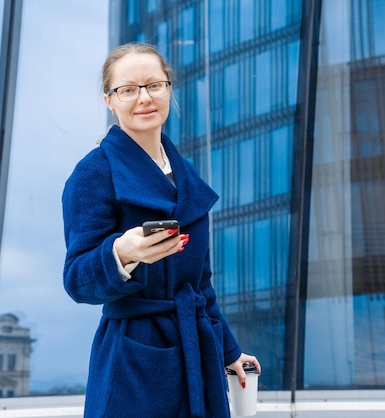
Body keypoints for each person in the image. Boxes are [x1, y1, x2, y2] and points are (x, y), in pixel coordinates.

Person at [62, 42, 261, 418]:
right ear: (109, 100)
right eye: (128, 89)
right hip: (133, 361)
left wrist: (229, 351)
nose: (144, 98)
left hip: (196, 352)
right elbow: (76, 279)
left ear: (169, 88)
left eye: (154, 85)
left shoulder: (185, 174)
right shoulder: (94, 173)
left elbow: (200, 284)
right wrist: (122, 253)